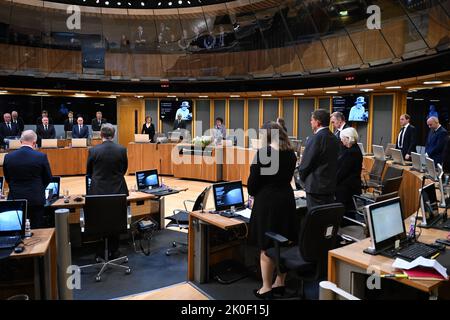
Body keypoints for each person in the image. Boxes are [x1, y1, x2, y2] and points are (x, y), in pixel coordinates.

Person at [247, 121, 297, 299]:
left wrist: (254, 193)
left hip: (268, 203)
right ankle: (280, 282)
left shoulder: (264, 153)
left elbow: (252, 185)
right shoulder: (291, 153)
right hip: (287, 200)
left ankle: (266, 287)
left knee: (266, 245)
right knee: (283, 242)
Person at [87, 124, 128, 259]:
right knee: (116, 219)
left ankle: (101, 250)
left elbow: (89, 172)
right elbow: (124, 169)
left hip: (98, 191)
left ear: (100, 135)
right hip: (118, 189)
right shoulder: (121, 149)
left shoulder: (93, 150)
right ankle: (114, 250)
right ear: (114, 134)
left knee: (100, 219)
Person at [3, 130, 52, 229]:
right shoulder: (41, 156)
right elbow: (48, 177)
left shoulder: (8, 157)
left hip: (15, 199)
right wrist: (39, 187)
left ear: (21, 141)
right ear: (34, 142)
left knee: (16, 230)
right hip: (35, 199)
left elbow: (7, 178)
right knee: (37, 232)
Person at [298, 109, 339, 209]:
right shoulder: (334, 138)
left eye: (312, 120)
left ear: (317, 122)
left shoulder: (315, 138)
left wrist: (301, 180)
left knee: (316, 218)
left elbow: (306, 164)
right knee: (326, 217)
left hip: (315, 188)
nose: (310, 122)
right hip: (330, 186)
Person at [335, 127, 363, 212]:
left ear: (348, 138)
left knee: (345, 212)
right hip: (350, 185)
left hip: (347, 188)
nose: (341, 140)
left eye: (342, 138)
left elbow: (342, 172)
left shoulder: (351, 153)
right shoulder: (354, 148)